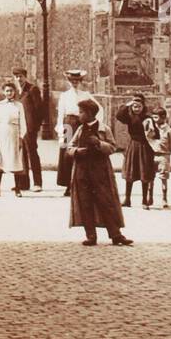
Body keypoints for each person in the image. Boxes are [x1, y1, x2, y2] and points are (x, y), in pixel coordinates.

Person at [67, 98, 133, 245]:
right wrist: (77, 151)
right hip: (82, 171)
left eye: (81, 112)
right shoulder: (79, 129)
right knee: (85, 202)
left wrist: (99, 143)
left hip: (100, 170)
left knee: (106, 202)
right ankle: (91, 235)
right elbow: (69, 147)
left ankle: (115, 235)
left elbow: (112, 147)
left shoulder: (104, 129)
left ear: (90, 113)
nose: (79, 115)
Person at [55, 69, 101, 193]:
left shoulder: (85, 95)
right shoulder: (64, 95)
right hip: (68, 125)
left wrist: (95, 125)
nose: (74, 83)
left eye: (77, 81)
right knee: (67, 153)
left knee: (81, 153)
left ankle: (80, 183)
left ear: (80, 81)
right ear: (69, 81)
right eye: (72, 81)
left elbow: (99, 108)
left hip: (82, 124)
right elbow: (60, 113)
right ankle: (68, 184)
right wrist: (60, 129)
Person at [115, 94, 156, 208]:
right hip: (133, 146)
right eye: (134, 106)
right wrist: (128, 104)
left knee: (144, 174)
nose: (136, 109)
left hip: (145, 147)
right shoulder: (129, 117)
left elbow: (155, 133)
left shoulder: (148, 118)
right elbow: (118, 115)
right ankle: (127, 199)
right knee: (130, 174)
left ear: (143, 106)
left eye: (139, 106)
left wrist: (151, 131)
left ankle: (144, 201)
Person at [0, 82, 28, 198]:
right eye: (7, 91)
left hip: (14, 134)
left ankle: (17, 188)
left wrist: (21, 137)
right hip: (2, 134)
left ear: (14, 92)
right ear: (3, 92)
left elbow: (23, 123)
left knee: (15, 161)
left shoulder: (19, 105)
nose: (9, 93)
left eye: (11, 91)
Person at [12, 66, 43, 191]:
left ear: (25, 77)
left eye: (21, 76)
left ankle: (37, 183)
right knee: (21, 155)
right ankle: (23, 183)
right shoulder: (14, 91)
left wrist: (35, 127)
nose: (19, 79)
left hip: (29, 128)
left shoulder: (32, 89)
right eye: (16, 77)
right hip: (18, 127)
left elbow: (39, 109)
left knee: (32, 153)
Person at [145, 106, 171, 208]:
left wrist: (166, 154)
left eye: (156, 118)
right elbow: (146, 140)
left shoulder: (168, 130)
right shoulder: (151, 129)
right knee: (149, 178)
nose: (154, 120)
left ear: (163, 117)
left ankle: (164, 198)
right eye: (153, 117)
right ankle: (150, 197)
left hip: (163, 156)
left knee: (163, 177)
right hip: (151, 156)